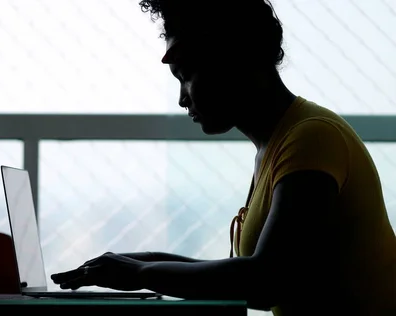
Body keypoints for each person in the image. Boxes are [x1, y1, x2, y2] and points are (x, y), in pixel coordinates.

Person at [51, 1, 396, 315]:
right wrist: (142, 263)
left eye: (186, 76)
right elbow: (251, 272)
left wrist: (142, 273)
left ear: (234, 58)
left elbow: (263, 281)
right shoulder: (282, 142)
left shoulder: (313, 138)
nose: (182, 100)